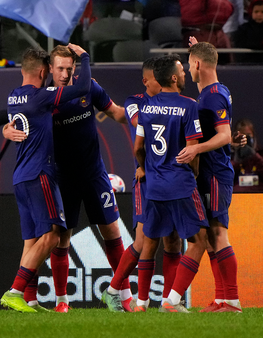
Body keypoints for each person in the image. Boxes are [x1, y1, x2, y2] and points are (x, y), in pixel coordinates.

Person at [3, 45, 131, 313]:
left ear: (75, 69)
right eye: (59, 68)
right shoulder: (44, 96)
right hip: (62, 177)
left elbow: (117, 113)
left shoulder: (89, 88)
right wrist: (7, 129)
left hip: (94, 172)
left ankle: (122, 294)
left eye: (69, 69)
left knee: (112, 230)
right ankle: (62, 301)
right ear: (48, 68)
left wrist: (144, 116)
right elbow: (21, 117)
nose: (64, 73)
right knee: (60, 239)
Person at [0, 44, 91, 313]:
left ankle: (30, 300)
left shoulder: (13, 96)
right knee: (52, 236)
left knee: (31, 241)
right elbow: (82, 88)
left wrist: (6, 130)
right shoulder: (41, 96)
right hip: (40, 174)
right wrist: (84, 58)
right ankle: (15, 291)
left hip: (20, 177)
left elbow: (15, 123)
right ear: (43, 71)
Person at [100, 57, 182, 313]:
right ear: (147, 81)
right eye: (159, 77)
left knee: (173, 241)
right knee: (145, 241)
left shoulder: (177, 103)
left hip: (171, 178)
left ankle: (169, 302)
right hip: (146, 179)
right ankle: (117, 292)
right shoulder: (136, 102)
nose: (166, 80)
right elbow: (137, 123)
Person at [134, 54, 209, 313]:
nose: (186, 74)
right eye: (182, 71)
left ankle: (141, 303)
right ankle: (172, 300)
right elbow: (192, 150)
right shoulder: (188, 106)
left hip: (154, 187)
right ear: (175, 78)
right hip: (180, 184)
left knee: (151, 242)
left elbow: (137, 148)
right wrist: (195, 173)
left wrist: (147, 169)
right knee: (200, 241)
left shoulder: (146, 106)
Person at [176, 40, 242, 312]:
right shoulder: (213, 91)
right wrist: (199, 46)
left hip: (215, 173)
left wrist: (196, 149)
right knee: (213, 240)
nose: (188, 68)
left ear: (198, 65)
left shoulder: (213, 95)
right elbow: (223, 134)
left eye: (190, 63)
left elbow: (224, 134)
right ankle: (221, 298)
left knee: (218, 233)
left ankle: (233, 301)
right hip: (210, 172)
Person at [231, 119, 263, 192]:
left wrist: (254, 155)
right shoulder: (230, 155)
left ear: (253, 135)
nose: (245, 138)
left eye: (248, 135)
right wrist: (238, 158)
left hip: (261, 196)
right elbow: (225, 176)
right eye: (242, 135)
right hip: (237, 197)